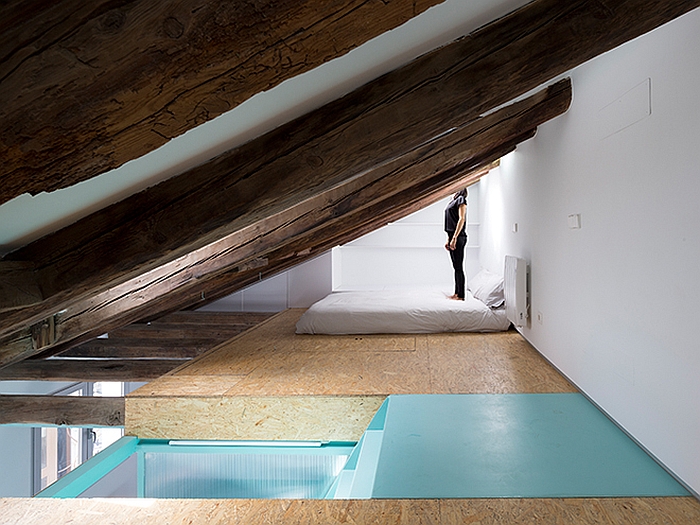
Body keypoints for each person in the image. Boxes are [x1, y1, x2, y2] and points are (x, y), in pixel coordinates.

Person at [444, 187, 468, 300]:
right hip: (452, 237)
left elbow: (461, 219)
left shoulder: (461, 199)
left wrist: (454, 238)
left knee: (458, 267)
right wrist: (448, 239)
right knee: (456, 267)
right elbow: (450, 221)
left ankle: (461, 295)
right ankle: (457, 293)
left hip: (458, 237)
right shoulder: (453, 201)